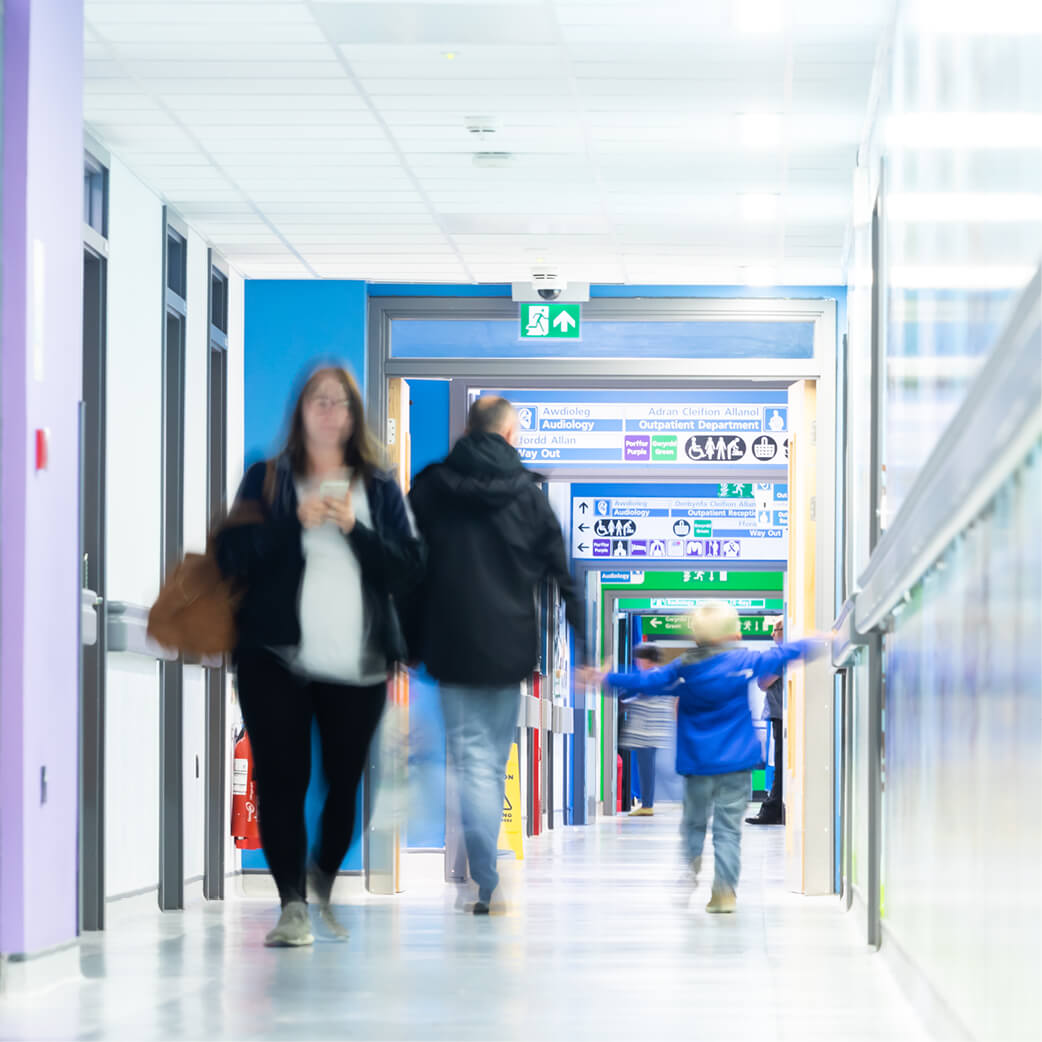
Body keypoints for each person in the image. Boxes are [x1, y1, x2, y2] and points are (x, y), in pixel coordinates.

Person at [216, 365, 424, 947]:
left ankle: (322, 873)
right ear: (300, 410)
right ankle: (291, 906)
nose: (329, 412)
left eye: (340, 403)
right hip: (273, 656)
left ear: (354, 416)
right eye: (318, 401)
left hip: (357, 663)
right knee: (281, 778)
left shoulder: (379, 488)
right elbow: (232, 555)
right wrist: (291, 523)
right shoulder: (268, 478)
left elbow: (408, 569)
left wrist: (355, 528)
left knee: (345, 779)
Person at [408, 395, 584, 915]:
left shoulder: (431, 485)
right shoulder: (530, 498)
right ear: (510, 436)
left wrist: (404, 640)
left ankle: (487, 880)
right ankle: (487, 878)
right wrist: (586, 645)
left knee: (469, 761)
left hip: (451, 645)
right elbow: (561, 576)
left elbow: (407, 567)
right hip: (509, 649)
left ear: (469, 430)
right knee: (489, 760)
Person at [589, 602, 821, 914]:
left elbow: (647, 683)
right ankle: (724, 890)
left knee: (694, 823)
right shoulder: (743, 659)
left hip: (697, 763)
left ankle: (691, 862)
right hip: (736, 762)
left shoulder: (684, 666)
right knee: (728, 830)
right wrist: (820, 641)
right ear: (733, 634)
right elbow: (782, 654)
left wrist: (605, 679)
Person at [618, 644, 675, 817]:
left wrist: (625, 703)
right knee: (646, 768)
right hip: (653, 731)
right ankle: (646, 802)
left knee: (646, 769)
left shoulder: (651, 677)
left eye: (639, 659)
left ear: (647, 660)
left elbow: (639, 698)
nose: (638, 662)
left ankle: (647, 804)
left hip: (647, 732)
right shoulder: (660, 676)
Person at [747, 618, 786, 825]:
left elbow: (763, 682)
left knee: (780, 762)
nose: (772, 634)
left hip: (780, 715)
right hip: (778, 714)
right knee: (778, 761)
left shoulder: (781, 656)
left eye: (776, 629)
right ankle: (773, 805)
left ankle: (773, 808)